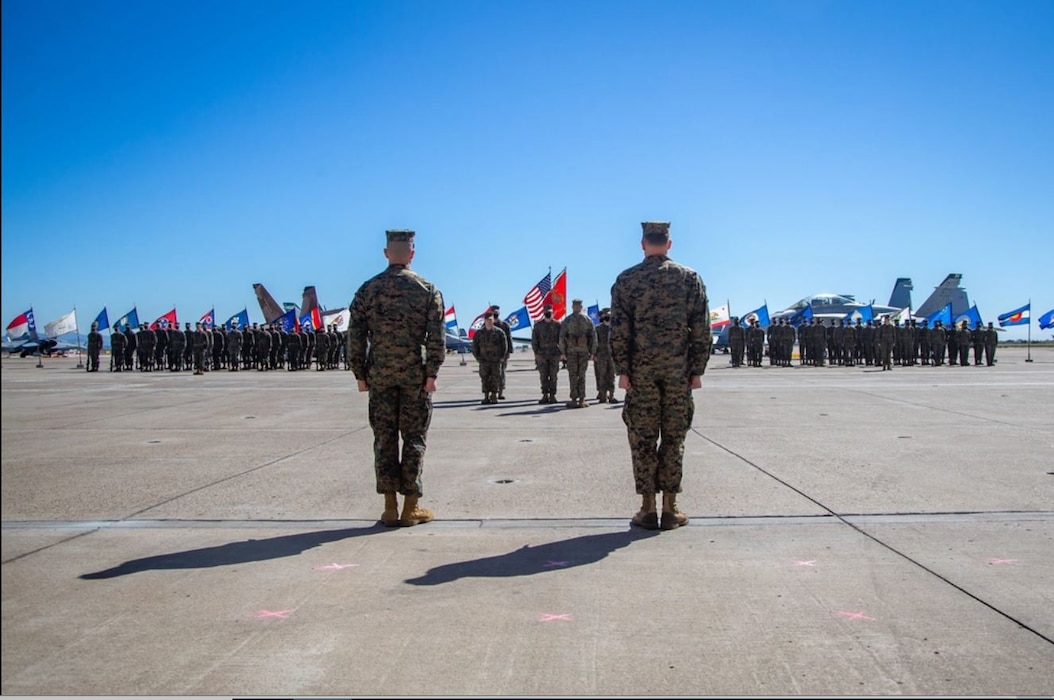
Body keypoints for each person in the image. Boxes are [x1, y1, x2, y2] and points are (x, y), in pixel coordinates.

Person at [611, 221, 710, 531]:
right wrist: (697, 370)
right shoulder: (690, 279)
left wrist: (623, 371)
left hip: (641, 374)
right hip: (678, 373)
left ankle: (647, 508)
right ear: (669, 244)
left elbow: (619, 332)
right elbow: (702, 330)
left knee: (642, 438)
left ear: (643, 244)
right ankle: (670, 508)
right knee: (673, 437)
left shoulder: (627, 280)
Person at [347, 229, 446, 528]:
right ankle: (410, 508)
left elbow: (355, 335)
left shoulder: (368, 289)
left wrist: (360, 373)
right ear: (412, 254)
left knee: (384, 438)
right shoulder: (427, 289)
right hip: (415, 375)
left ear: (386, 253)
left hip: (379, 375)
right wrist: (432, 373)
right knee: (414, 438)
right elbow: (436, 337)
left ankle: (389, 506)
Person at [559, 298, 597, 408]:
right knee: (580, 375)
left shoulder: (568, 320)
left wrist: (563, 351)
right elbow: (593, 337)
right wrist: (592, 351)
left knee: (575, 375)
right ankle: (579, 399)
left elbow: (562, 337)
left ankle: (577, 399)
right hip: (580, 351)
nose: (576, 307)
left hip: (574, 352)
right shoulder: (587, 319)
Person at [472, 312, 507, 404]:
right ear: (485, 321)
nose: (489, 322)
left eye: (491, 320)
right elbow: (475, 346)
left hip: (495, 360)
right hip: (484, 360)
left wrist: (501, 357)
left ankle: (494, 395)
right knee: (485, 378)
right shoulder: (479, 333)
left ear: (493, 320)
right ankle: (486, 396)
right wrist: (478, 358)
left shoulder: (499, 332)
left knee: (496, 377)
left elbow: (504, 346)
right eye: (487, 320)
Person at [531, 304, 561, 404]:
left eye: (550, 312)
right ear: (543, 313)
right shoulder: (538, 326)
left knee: (553, 375)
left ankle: (552, 395)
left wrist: (562, 352)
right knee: (543, 375)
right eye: (546, 312)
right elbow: (534, 340)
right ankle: (544, 395)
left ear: (553, 313)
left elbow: (562, 340)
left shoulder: (558, 325)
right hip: (542, 354)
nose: (548, 314)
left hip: (554, 354)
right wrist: (536, 353)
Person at [489, 304, 513, 399]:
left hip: (502, 353)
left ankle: (501, 391)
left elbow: (509, 339)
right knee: (490, 374)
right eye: (494, 313)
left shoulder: (504, 325)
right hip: (489, 354)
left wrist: (509, 352)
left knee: (501, 372)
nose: (495, 315)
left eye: (497, 313)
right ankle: (492, 392)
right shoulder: (487, 324)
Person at [593, 308, 617, 403]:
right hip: (601, 355)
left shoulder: (614, 328)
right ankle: (602, 395)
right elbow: (595, 342)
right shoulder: (598, 328)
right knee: (602, 375)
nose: (608, 317)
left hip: (612, 355)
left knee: (611, 376)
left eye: (609, 316)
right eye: (606, 315)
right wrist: (594, 354)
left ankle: (611, 395)